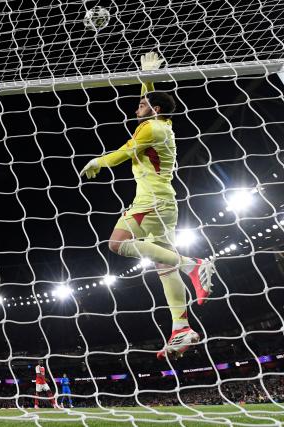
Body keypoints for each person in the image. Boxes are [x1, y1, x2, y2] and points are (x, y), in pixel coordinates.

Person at [80, 52, 216, 360]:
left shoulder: (151, 128)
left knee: (117, 244)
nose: (136, 107)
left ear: (154, 110)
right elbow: (149, 100)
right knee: (163, 265)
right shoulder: (160, 125)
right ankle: (181, 328)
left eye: (142, 105)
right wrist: (147, 76)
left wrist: (99, 162)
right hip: (164, 202)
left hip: (151, 201)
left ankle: (193, 264)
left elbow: (126, 151)